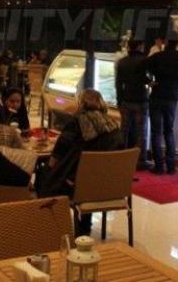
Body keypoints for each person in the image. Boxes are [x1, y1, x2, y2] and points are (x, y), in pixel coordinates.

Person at [38, 89, 122, 235]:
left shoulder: (77, 122)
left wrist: (48, 168)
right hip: (108, 185)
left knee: (43, 175)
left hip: (79, 186)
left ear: (81, 103)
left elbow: (59, 152)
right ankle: (83, 229)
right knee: (86, 175)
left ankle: (49, 228)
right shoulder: (114, 125)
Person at [142, 30, 178, 175]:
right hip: (172, 97)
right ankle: (171, 166)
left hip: (157, 96)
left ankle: (158, 166)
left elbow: (140, 67)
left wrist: (149, 81)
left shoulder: (158, 56)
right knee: (169, 131)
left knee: (156, 131)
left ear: (166, 42)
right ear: (177, 43)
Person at [116, 39, 151, 169]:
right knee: (141, 130)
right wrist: (150, 82)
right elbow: (145, 78)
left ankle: (121, 156)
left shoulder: (122, 62)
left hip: (126, 99)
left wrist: (119, 100)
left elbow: (118, 83)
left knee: (124, 130)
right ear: (140, 46)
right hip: (140, 99)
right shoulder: (144, 61)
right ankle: (140, 160)